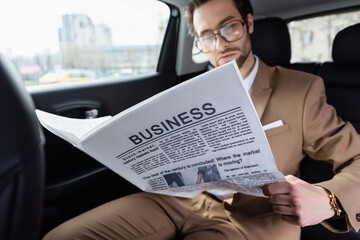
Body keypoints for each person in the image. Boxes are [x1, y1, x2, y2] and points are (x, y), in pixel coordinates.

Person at [43, 0, 360, 239]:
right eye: (207, 36)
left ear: (248, 23)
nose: (220, 43)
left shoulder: (301, 89)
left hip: (253, 219)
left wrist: (329, 199)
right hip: (176, 200)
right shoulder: (182, 93)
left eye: (229, 27)